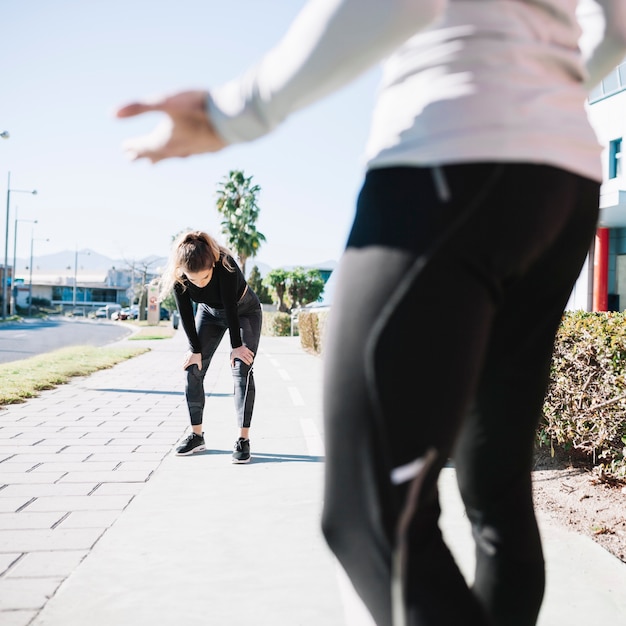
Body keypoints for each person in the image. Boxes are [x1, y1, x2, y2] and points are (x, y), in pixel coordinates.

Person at [116, 1, 626, 624]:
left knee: (365, 510)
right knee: (496, 487)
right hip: (565, 175)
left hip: (451, 153)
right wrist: (550, 80)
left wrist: (237, 112)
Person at [160, 230, 262, 463]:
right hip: (209, 314)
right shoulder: (179, 276)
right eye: (192, 279)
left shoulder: (225, 264)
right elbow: (186, 314)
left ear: (212, 266)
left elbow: (230, 306)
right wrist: (194, 349)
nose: (199, 284)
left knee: (241, 366)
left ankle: (243, 439)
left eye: (204, 278)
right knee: (192, 369)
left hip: (243, 311)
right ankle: (197, 436)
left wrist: (236, 347)